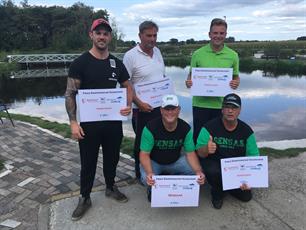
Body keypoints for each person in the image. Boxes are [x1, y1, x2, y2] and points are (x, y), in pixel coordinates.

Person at [65, 18, 133, 221]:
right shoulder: (80, 63)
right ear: (91, 35)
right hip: (89, 125)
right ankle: (85, 197)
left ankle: (111, 187)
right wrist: (73, 122)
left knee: (112, 158)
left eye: (105, 33)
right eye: (98, 33)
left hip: (112, 123)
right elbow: (70, 94)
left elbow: (128, 86)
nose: (102, 37)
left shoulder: (116, 63)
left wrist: (128, 105)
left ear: (110, 37)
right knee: (88, 162)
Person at [196, 93, 259, 209]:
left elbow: (254, 157)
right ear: (222, 109)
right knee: (212, 171)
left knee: (246, 197)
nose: (230, 111)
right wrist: (206, 149)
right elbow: (200, 154)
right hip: (216, 165)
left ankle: (228, 186)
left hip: (235, 169)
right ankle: (217, 192)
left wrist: (250, 180)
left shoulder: (247, 131)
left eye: (234, 107)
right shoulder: (208, 127)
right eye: (227, 107)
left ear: (239, 110)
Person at [139, 94, 205, 201]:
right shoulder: (150, 128)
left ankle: (177, 187)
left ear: (178, 110)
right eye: (167, 109)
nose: (170, 112)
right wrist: (150, 173)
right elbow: (144, 154)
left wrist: (198, 171)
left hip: (175, 161)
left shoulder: (185, 128)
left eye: (173, 109)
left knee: (196, 173)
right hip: (155, 162)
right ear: (161, 110)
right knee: (144, 178)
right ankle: (152, 189)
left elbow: (190, 153)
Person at [186, 18, 240, 142]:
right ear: (209, 34)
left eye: (221, 33)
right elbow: (190, 76)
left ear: (226, 35)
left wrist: (236, 82)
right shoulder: (197, 54)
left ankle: (218, 162)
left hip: (222, 105)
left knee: (220, 139)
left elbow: (236, 76)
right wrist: (188, 82)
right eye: (215, 33)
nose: (218, 36)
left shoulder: (233, 55)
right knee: (199, 139)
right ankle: (198, 161)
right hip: (200, 104)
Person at [123, 20, 165, 179]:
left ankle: (154, 171)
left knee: (157, 140)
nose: (152, 39)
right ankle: (139, 173)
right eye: (148, 36)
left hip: (159, 107)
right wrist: (139, 103)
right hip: (140, 110)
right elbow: (125, 84)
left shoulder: (158, 52)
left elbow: (162, 77)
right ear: (140, 35)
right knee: (142, 142)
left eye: (155, 35)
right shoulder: (130, 56)